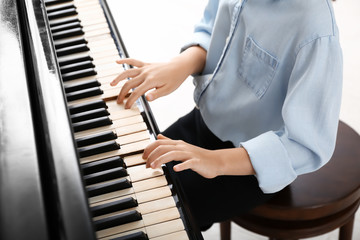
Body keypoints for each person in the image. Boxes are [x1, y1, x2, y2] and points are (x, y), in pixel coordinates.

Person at [110, 0, 343, 230]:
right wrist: (181, 64)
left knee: (150, 219)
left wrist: (215, 161)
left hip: (244, 170)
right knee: (128, 177)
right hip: (201, 123)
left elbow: (307, 144)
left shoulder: (317, 29)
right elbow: (213, 28)